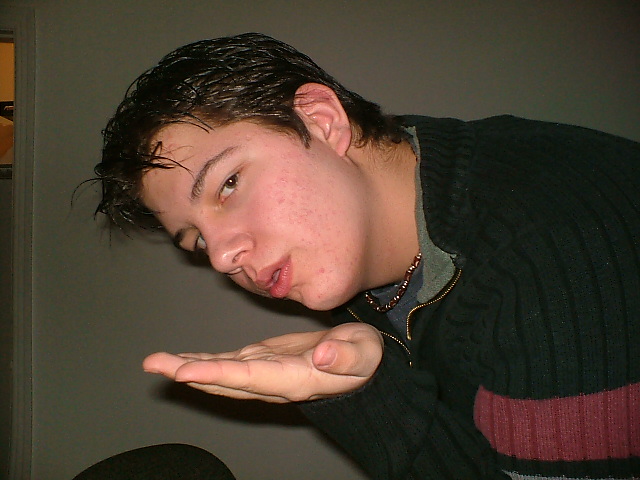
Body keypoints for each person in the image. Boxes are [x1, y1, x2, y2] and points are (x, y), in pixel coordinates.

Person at [93, 33, 640, 479]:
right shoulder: (357, 255)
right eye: (197, 241)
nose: (222, 258)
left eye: (229, 183)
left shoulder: (551, 248)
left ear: (321, 121)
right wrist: (367, 388)